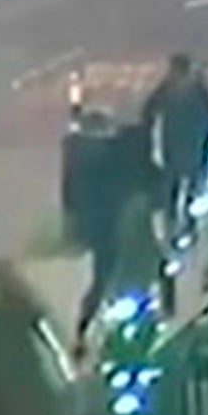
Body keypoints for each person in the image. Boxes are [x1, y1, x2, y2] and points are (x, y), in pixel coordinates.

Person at [64, 112, 167, 356]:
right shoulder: (108, 160)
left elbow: (74, 196)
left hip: (118, 231)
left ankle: (83, 334)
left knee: (108, 278)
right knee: (106, 279)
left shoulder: (102, 160)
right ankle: (83, 334)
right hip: (112, 231)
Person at [141, 52, 208, 236]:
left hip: (172, 143)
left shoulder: (167, 88)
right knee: (192, 184)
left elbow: (148, 112)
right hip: (195, 142)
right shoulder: (197, 88)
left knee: (172, 185)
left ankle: (172, 223)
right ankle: (190, 224)